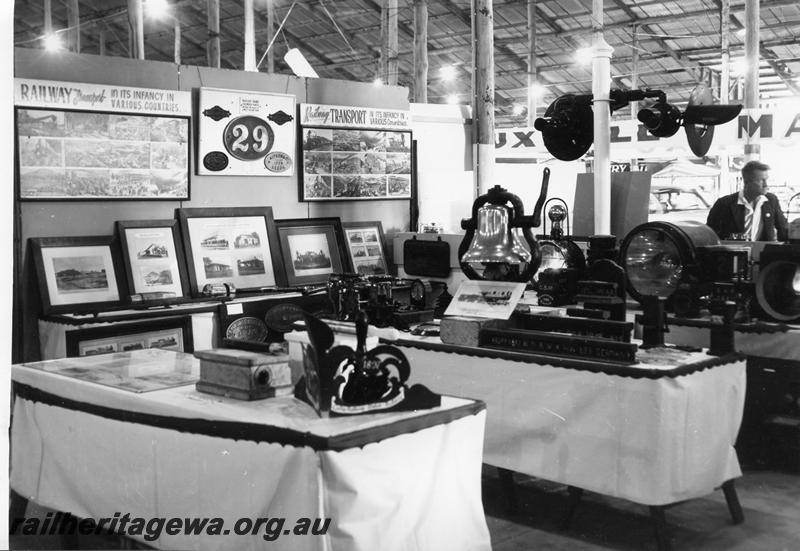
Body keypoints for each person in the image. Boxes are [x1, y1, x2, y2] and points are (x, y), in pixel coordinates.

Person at [706, 160, 788, 241]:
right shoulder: (724, 204)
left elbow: (783, 229)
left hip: (763, 253)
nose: (766, 184)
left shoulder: (771, 200)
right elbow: (709, 235)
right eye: (761, 180)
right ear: (746, 182)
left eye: (766, 180)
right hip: (734, 252)